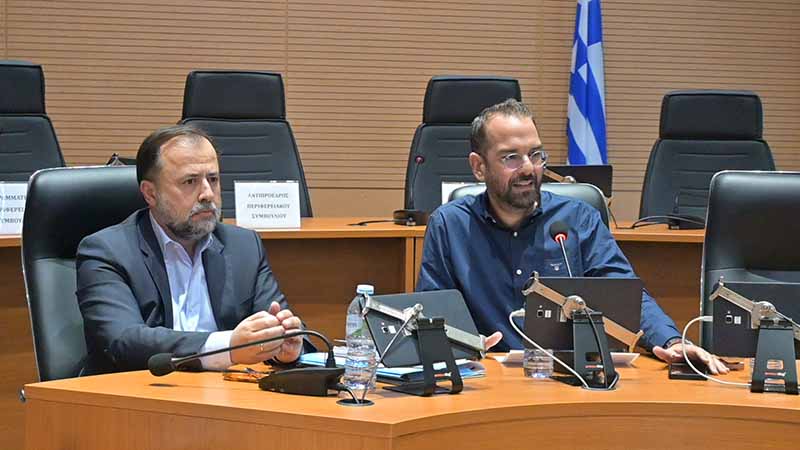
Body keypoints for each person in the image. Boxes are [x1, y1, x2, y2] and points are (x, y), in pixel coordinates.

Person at [417, 99, 728, 374]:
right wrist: (462, 343)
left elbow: (625, 294)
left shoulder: (578, 220)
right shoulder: (450, 226)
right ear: (478, 167)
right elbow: (433, 316)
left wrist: (671, 340)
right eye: (510, 157)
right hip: (489, 382)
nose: (528, 169)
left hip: (570, 377)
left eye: (535, 154)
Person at [76, 125, 306, 375]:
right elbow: (124, 341)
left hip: (226, 391)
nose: (207, 194)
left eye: (213, 179)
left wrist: (286, 347)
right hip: (139, 391)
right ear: (150, 194)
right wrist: (228, 347)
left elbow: (281, 325)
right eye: (190, 181)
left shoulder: (244, 246)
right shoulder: (107, 251)